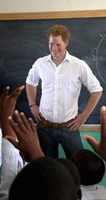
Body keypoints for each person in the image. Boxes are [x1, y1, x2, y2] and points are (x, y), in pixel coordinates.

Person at [26, 24, 103, 159]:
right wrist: (32, 105)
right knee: (48, 169)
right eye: (51, 44)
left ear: (66, 43)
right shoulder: (40, 63)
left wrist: (84, 116)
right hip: (44, 127)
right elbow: (30, 82)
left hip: (69, 128)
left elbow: (97, 90)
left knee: (78, 167)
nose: (54, 48)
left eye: (58, 44)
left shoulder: (79, 65)